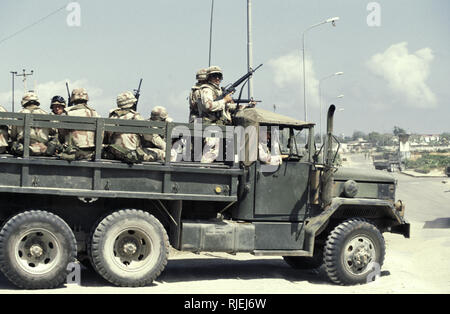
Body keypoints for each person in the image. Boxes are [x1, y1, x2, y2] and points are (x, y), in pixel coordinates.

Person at [197, 66, 236, 163]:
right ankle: (202, 170)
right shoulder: (207, 89)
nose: (217, 78)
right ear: (209, 77)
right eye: (214, 76)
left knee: (220, 152)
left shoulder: (218, 90)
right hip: (211, 125)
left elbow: (225, 107)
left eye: (219, 76)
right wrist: (224, 100)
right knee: (212, 152)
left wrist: (240, 106)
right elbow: (208, 106)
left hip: (219, 125)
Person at [104, 91, 156, 163]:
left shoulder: (112, 117)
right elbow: (148, 138)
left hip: (114, 153)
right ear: (131, 103)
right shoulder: (136, 117)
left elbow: (106, 138)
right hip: (131, 155)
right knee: (160, 153)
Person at [59, 88, 100, 161]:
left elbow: (61, 134)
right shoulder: (95, 113)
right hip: (91, 153)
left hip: (73, 153)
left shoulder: (67, 113)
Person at [10, 92, 52, 156]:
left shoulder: (19, 114)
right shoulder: (45, 114)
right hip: (42, 149)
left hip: (24, 149)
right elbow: (53, 131)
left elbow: (13, 135)